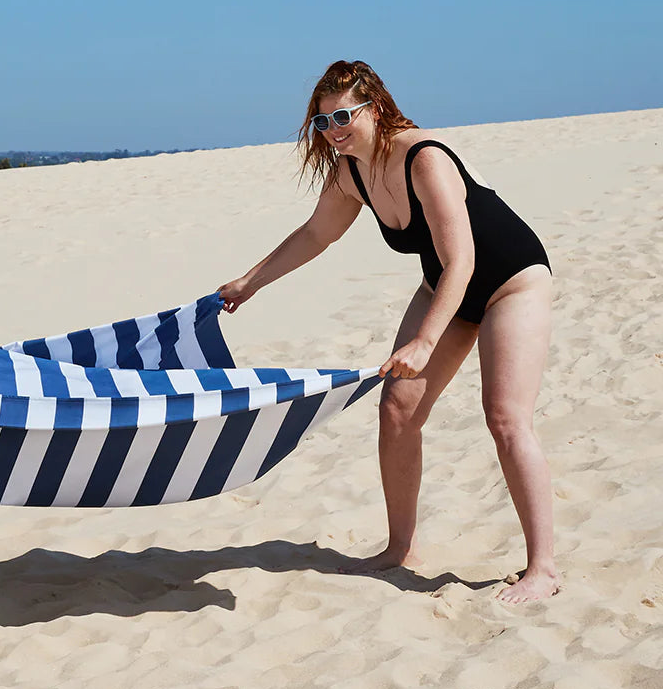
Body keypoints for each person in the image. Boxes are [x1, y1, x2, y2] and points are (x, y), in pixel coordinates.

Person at [219, 60, 560, 603]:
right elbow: (315, 234)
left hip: (510, 283)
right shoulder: (350, 170)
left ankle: (542, 568)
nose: (334, 131)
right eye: (323, 122)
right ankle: (401, 547)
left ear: (374, 108)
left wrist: (425, 341)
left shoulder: (424, 158)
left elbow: (464, 259)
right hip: (443, 286)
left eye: (344, 117)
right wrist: (249, 282)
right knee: (397, 408)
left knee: (505, 417)